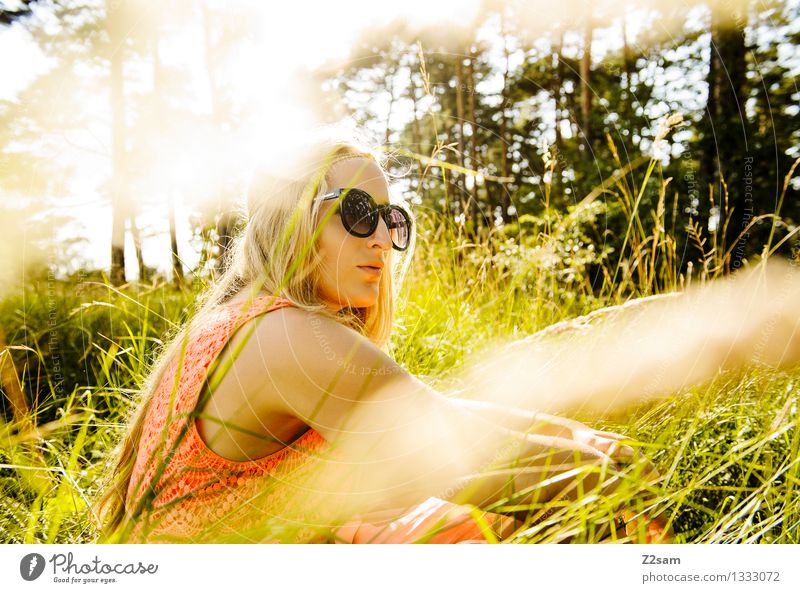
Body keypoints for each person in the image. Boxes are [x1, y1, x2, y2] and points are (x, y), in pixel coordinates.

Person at [95, 126, 798, 544]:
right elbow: (462, 454)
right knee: (476, 528)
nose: (381, 239)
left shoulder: (233, 322)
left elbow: (446, 417)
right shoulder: (294, 339)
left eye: (391, 219)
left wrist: (579, 437)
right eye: (359, 211)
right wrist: (607, 474)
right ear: (292, 219)